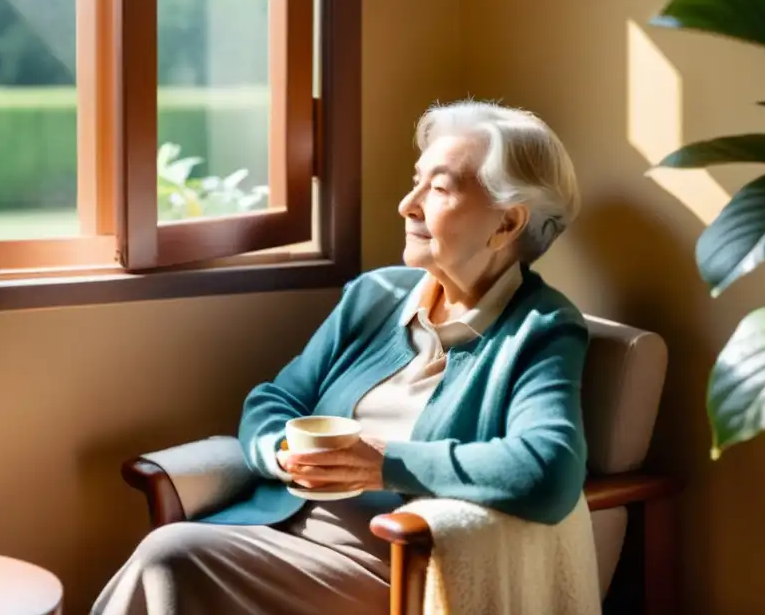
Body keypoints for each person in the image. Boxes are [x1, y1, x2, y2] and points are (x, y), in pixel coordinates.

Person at [92, 99, 590, 615]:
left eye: (438, 189)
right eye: (415, 181)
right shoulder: (374, 296)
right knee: (170, 555)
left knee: (170, 554)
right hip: (276, 529)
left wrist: (385, 467)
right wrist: (281, 452)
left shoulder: (542, 330)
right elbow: (276, 398)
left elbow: (548, 470)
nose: (408, 204)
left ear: (507, 224)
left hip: (395, 565)